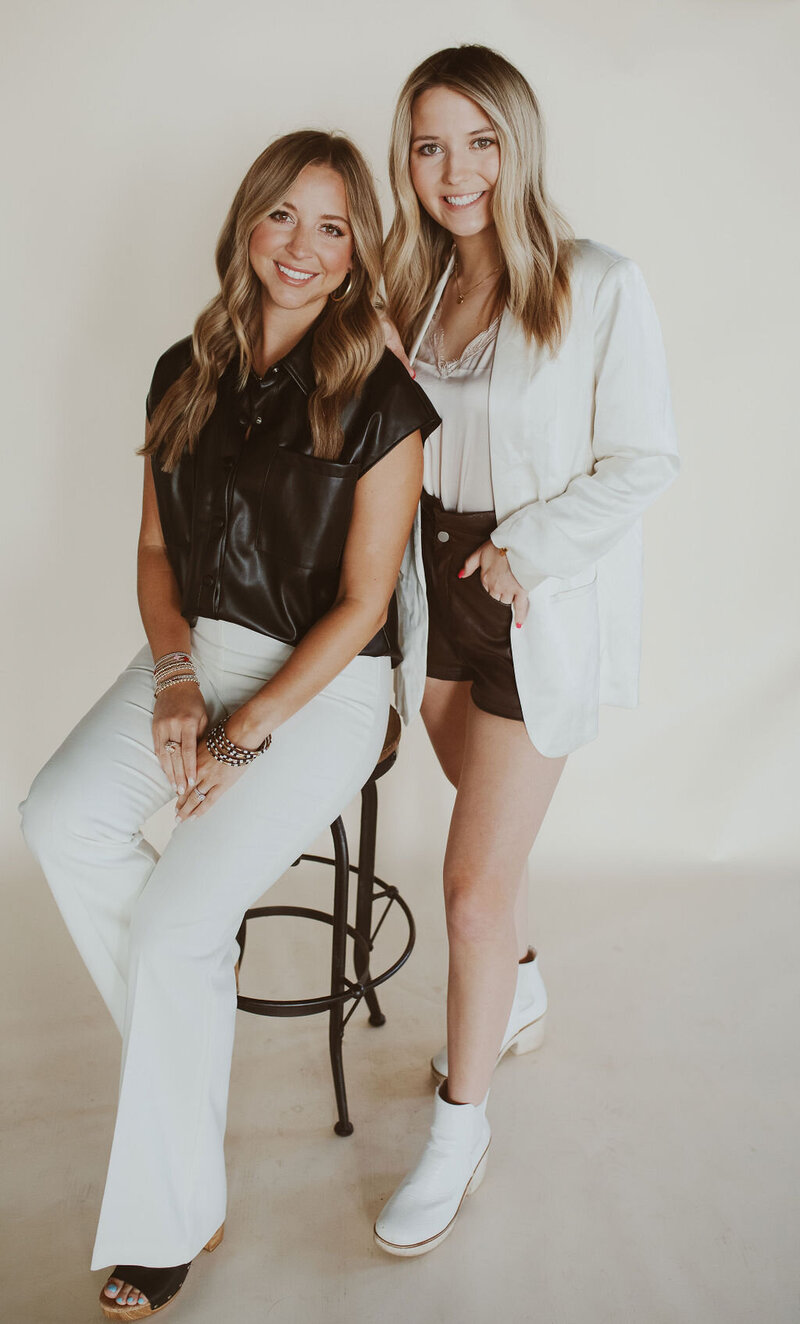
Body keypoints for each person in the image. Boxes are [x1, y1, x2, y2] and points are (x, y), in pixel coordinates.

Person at [20, 129, 439, 1316]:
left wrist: (248, 729)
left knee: (168, 931)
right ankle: (193, 967)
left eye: (333, 226)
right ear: (246, 223)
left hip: (326, 685)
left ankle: (169, 1219)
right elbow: (156, 549)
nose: (300, 249)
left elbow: (363, 605)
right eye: (281, 218)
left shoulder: (382, 397)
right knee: (58, 818)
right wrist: (174, 679)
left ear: (358, 251)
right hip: (200, 652)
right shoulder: (183, 370)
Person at [374, 45, 680, 1256]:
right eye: (429, 144)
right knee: (481, 842)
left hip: (524, 596)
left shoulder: (595, 281)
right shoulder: (415, 286)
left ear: (518, 145)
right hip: (427, 591)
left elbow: (644, 458)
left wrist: (526, 553)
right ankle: (524, 980)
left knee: (465, 887)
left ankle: (459, 1127)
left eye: (478, 141)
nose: (454, 171)